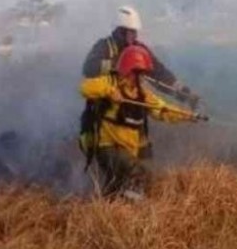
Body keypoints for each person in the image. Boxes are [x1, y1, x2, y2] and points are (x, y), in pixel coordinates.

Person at [80, 45, 206, 199]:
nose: (139, 78)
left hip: (130, 150)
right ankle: (134, 205)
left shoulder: (142, 94)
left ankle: (109, 204)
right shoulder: (111, 82)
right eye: (136, 73)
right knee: (134, 170)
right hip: (108, 148)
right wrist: (110, 92)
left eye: (142, 74)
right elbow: (85, 87)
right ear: (127, 69)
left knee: (139, 177)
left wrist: (188, 116)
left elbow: (162, 110)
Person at [82, 5, 199, 106]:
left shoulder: (139, 49)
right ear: (121, 31)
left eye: (135, 32)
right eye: (132, 31)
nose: (135, 35)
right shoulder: (104, 46)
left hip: (131, 107)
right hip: (106, 109)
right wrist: (120, 64)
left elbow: (158, 73)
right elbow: (89, 68)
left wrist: (183, 92)